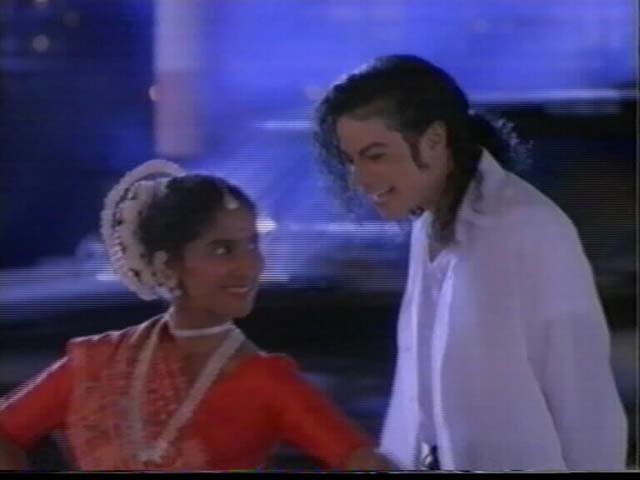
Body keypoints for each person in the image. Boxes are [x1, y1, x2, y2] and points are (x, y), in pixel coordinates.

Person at [313, 54, 628, 471]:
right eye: (351, 161)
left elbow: (583, 396)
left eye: (375, 155)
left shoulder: (527, 227)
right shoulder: (428, 226)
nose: (358, 179)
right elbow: (418, 393)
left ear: (434, 140)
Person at [0, 160, 392, 471]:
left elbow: (360, 460)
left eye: (252, 245)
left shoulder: (266, 381)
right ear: (168, 265)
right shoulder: (96, 363)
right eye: (222, 250)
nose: (248, 266)